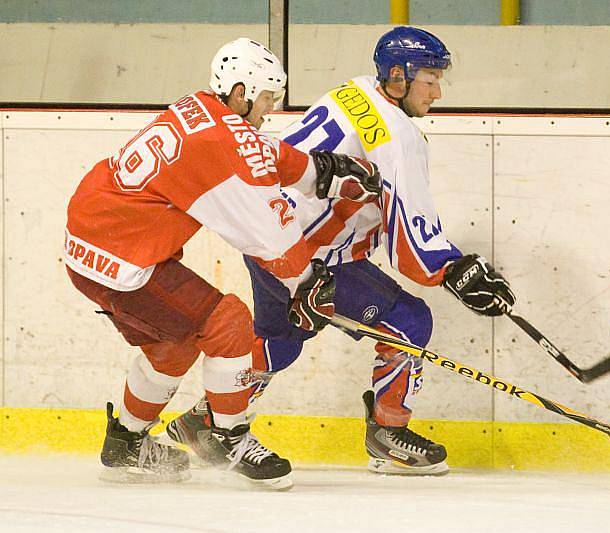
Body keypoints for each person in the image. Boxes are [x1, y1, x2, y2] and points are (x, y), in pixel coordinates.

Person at [168, 27, 515, 476]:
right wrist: (454, 271)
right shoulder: (397, 137)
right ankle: (388, 434)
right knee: (409, 322)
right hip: (309, 257)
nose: (438, 91)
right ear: (398, 75)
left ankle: (208, 419)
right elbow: (412, 245)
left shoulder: (354, 90)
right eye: (430, 79)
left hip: (266, 237)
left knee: (280, 340)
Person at [65, 37, 381, 487]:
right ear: (240, 93)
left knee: (172, 344)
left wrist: (321, 172)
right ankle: (228, 437)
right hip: (123, 260)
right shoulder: (223, 147)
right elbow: (267, 234)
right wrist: (308, 282)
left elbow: (260, 152)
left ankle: (125, 443)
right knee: (229, 324)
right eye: (267, 98)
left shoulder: (202, 109)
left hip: (91, 245)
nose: (270, 109)